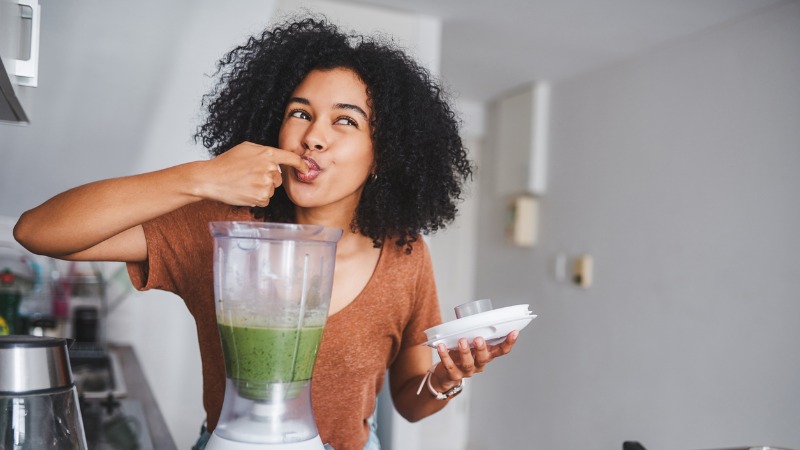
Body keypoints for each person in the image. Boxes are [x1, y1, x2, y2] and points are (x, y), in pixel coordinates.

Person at [14, 16, 519, 450]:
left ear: (383, 154)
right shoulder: (222, 229)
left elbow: (410, 402)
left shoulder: (404, 255)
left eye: (345, 121)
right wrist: (201, 177)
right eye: (300, 113)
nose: (313, 136)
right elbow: (38, 231)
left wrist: (444, 378)